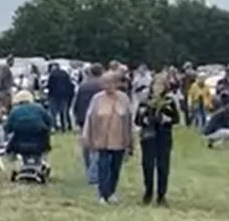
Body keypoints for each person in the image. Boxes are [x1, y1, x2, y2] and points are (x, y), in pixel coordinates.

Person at [80, 69, 134, 203]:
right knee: (103, 166)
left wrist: (131, 140)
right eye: (105, 83)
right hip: (101, 139)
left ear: (116, 83)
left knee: (115, 167)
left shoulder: (124, 98)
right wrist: (86, 136)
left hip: (119, 139)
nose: (107, 86)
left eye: (110, 83)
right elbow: (90, 117)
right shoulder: (97, 99)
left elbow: (128, 119)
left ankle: (111, 192)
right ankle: (102, 194)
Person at [135, 78, 181, 206]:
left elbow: (176, 119)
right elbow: (137, 121)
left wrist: (167, 118)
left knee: (163, 166)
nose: (157, 88)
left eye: (161, 85)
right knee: (148, 165)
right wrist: (143, 118)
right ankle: (148, 192)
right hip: (148, 137)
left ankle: (161, 195)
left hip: (164, 137)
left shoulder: (169, 101)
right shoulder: (145, 102)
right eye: (156, 85)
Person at [73, 63, 104, 181]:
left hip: (83, 117)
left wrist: (76, 116)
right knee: (98, 145)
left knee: (86, 145)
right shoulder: (102, 86)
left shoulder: (83, 85)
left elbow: (77, 101)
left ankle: (88, 167)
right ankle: (94, 170)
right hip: (99, 117)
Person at [3, 90, 54, 160]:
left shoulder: (14, 111)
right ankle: (44, 157)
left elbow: (7, 128)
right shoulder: (39, 108)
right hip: (40, 142)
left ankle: (12, 156)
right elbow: (49, 122)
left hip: (20, 144)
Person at [46, 62, 75, 131]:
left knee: (53, 113)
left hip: (53, 95)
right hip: (64, 96)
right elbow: (69, 84)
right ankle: (64, 127)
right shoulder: (65, 74)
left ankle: (54, 126)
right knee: (63, 112)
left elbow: (49, 85)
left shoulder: (52, 75)